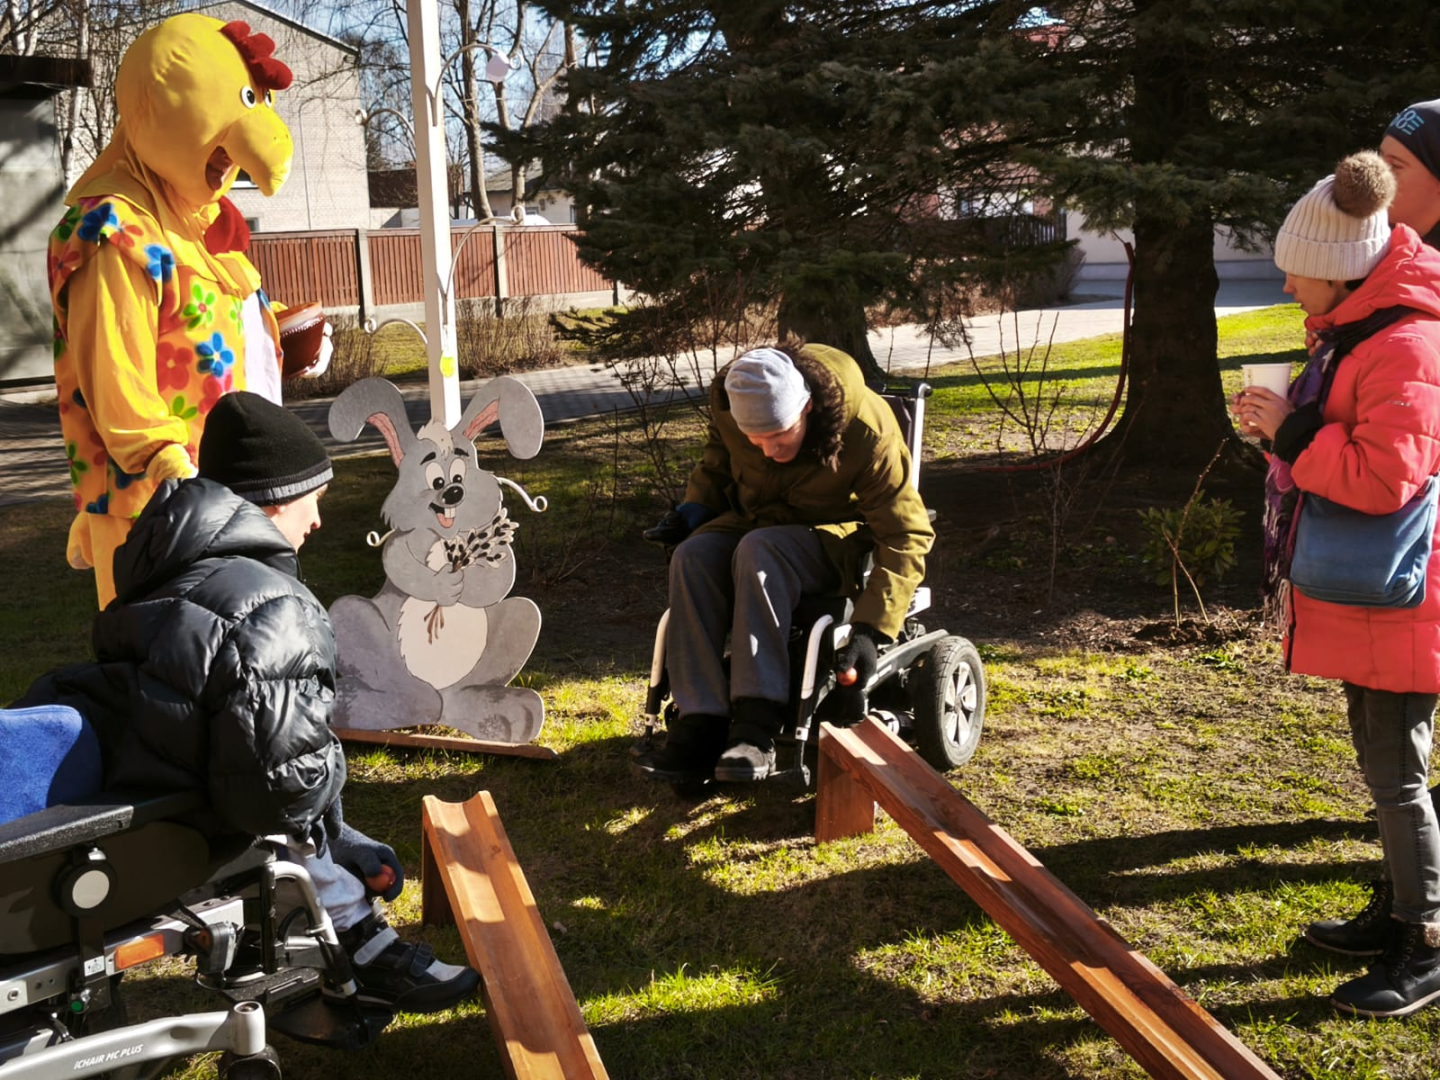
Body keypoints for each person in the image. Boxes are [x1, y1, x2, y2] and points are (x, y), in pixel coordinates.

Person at [16, 392, 478, 1014]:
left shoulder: (161, 578)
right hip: (184, 827)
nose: (318, 521)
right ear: (279, 496)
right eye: (315, 499)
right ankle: (363, 945)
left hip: (129, 790)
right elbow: (279, 791)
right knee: (288, 824)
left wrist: (339, 831)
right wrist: (328, 826)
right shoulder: (271, 603)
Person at [1233, 152, 1440, 1018]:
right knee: (1385, 765)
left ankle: (1425, 941)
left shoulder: (1405, 345)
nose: (1285, 279)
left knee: (1396, 774)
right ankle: (1398, 910)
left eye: (1299, 269)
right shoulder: (1358, 332)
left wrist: (1291, 437)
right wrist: (1286, 432)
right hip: (1376, 598)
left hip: (1409, 601)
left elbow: (1386, 477)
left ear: (1344, 272)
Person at [50, 14, 329, 609]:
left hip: (235, 499)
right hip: (166, 512)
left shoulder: (191, 228)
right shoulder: (115, 232)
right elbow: (115, 377)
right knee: (177, 676)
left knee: (248, 666)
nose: (229, 167)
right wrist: (173, 474)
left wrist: (279, 332)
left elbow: (204, 325)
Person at [634, 343, 935, 783]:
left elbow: (906, 533)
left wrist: (873, 630)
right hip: (755, 523)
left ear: (808, 408)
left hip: (834, 538)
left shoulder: (867, 432)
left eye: (780, 437)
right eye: (756, 441)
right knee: (693, 555)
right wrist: (692, 512)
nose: (768, 451)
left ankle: (755, 728)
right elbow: (717, 467)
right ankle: (700, 723)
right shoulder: (731, 406)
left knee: (761, 550)